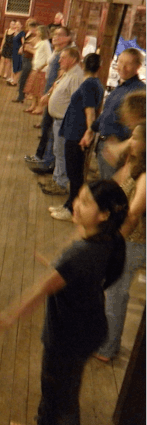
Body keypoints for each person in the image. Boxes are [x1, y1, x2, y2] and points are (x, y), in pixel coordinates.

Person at [0, 180, 128, 425]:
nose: (76, 204)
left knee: (60, 398)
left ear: (104, 215)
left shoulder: (80, 254)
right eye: (79, 197)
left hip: (68, 336)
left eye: (86, 202)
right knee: (62, 390)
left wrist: (3, 320)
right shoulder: (109, 240)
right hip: (89, 328)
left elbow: (40, 290)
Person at [96, 124, 146, 361]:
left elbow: (135, 213)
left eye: (135, 138)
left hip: (133, 242)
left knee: (116, 293)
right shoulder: (136, 165)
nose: (130, 140)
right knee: (111, 290)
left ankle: (107, 348)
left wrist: (114, 240)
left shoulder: (146, 175)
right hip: (125, 239)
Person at [49, 53, 104, 221]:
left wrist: (88, 133)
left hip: (77, 134)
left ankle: (73, 209)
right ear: (99, 67)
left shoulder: (89, 85)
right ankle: (69, 204)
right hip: (76, 132)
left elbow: (90, 112)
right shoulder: (95, 84)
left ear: (83, 64)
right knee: (75, 173)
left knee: (75, 174)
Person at [80, 47, 146, 180]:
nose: (122, 67)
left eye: (128, 64)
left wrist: (125, 148)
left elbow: (140, 126)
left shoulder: (138, 91)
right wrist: (91, 130)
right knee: (105, 180)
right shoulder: (120, 87)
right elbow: (107, 113)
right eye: (120, 62)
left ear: (138, 66)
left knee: (112, 188)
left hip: (119, 149)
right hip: (104, 144)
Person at [25, 26, 74, 175]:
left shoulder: (67, 53)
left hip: (55, 94)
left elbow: (61, 76)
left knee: (50, 128)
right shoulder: (56, 50)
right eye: (55, 34)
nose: (55, 37)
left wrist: (50, 93)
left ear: (67, 38)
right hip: (49, 90)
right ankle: (40, 155)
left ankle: (47, 162)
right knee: (46, 126)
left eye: (60, 35)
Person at [39, 46, 84, 197]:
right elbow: (58, 86)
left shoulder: (76, 76)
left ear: (72, 59)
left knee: (62, 153)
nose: (59, 60)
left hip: (65, 121)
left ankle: (61, 183)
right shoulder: (68, 73)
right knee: (58, 151)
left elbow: (75, 102)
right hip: (59, 120)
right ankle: (57, 179)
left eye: (63, 58)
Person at [23, 25, 52, 115]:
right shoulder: (40, 42)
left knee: (39, 90)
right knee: (34, 90)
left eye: (38, 31)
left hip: (41, 70)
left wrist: (42, 66)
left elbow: (49, 57)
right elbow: (37, 53)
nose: (36, 32)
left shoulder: (46, 43)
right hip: (35, 68)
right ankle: (33, 105)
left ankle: (39, 107)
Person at [13, 18, 38, 102]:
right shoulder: (28, 33)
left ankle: (22, 96)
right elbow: (25, 43)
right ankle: (21, 96)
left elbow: (34, 47)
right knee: (22, 78)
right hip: (25, 56)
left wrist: (27, 48)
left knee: (24, 78)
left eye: (30, 26)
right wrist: (22, 47)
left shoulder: (36, 36)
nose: (29, 28)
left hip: (30, 58)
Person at [9, 20, 25, 86]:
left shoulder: (22, 33)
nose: (17, 26)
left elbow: (23, 42)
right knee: (14, 65)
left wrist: (21, 48)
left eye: (19, 25)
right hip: (13, 50)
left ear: (21, 26)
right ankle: (12, 79)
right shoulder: (15, 32)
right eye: (16, 25)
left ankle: (15, 81)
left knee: (18, 66)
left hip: (18, 52)